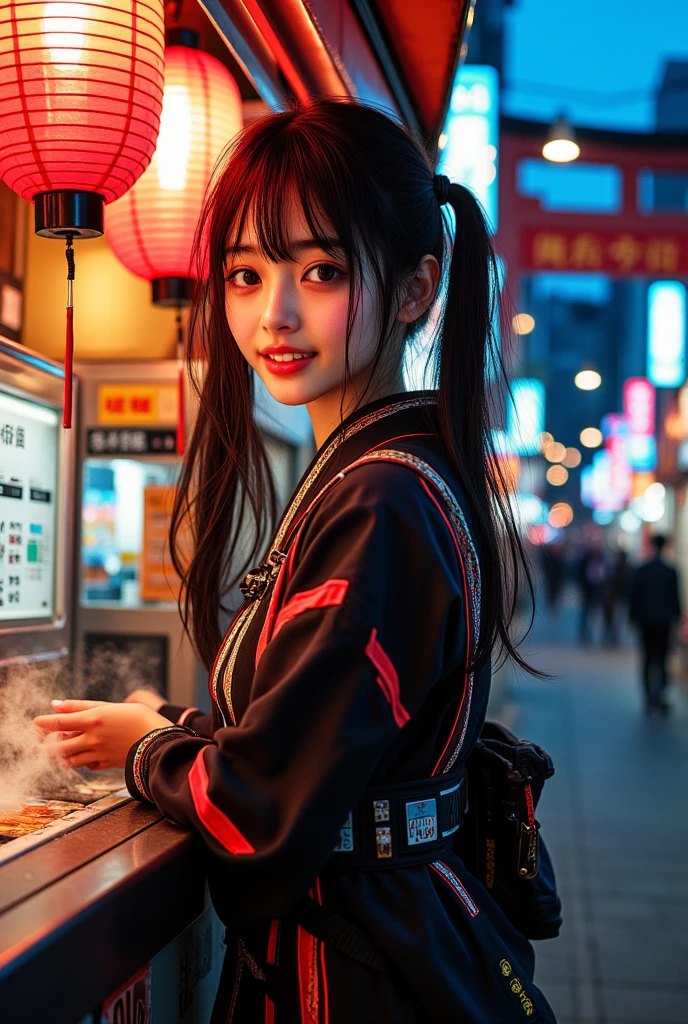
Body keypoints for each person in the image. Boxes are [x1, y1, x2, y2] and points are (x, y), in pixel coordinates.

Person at [34, 101, 557, 1023]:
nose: (273, 313)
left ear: (413, 290)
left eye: (320, 270)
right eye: (243, 273)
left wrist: (147, 748)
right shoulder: (391, 471)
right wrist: (182, 723)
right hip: (402, 937)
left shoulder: (380, 497)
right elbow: (326, 737)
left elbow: (265, 811)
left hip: (358, 971)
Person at [629, 534, 682, 715]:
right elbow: (676, 599)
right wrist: (678, 619)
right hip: (664, 622)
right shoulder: (671, 571)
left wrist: (633, 617)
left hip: (646, 621)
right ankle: (659, 693)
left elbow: (635, 596)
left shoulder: (642, 569)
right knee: (662, 658)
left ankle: (648, 697)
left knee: (648, 658)